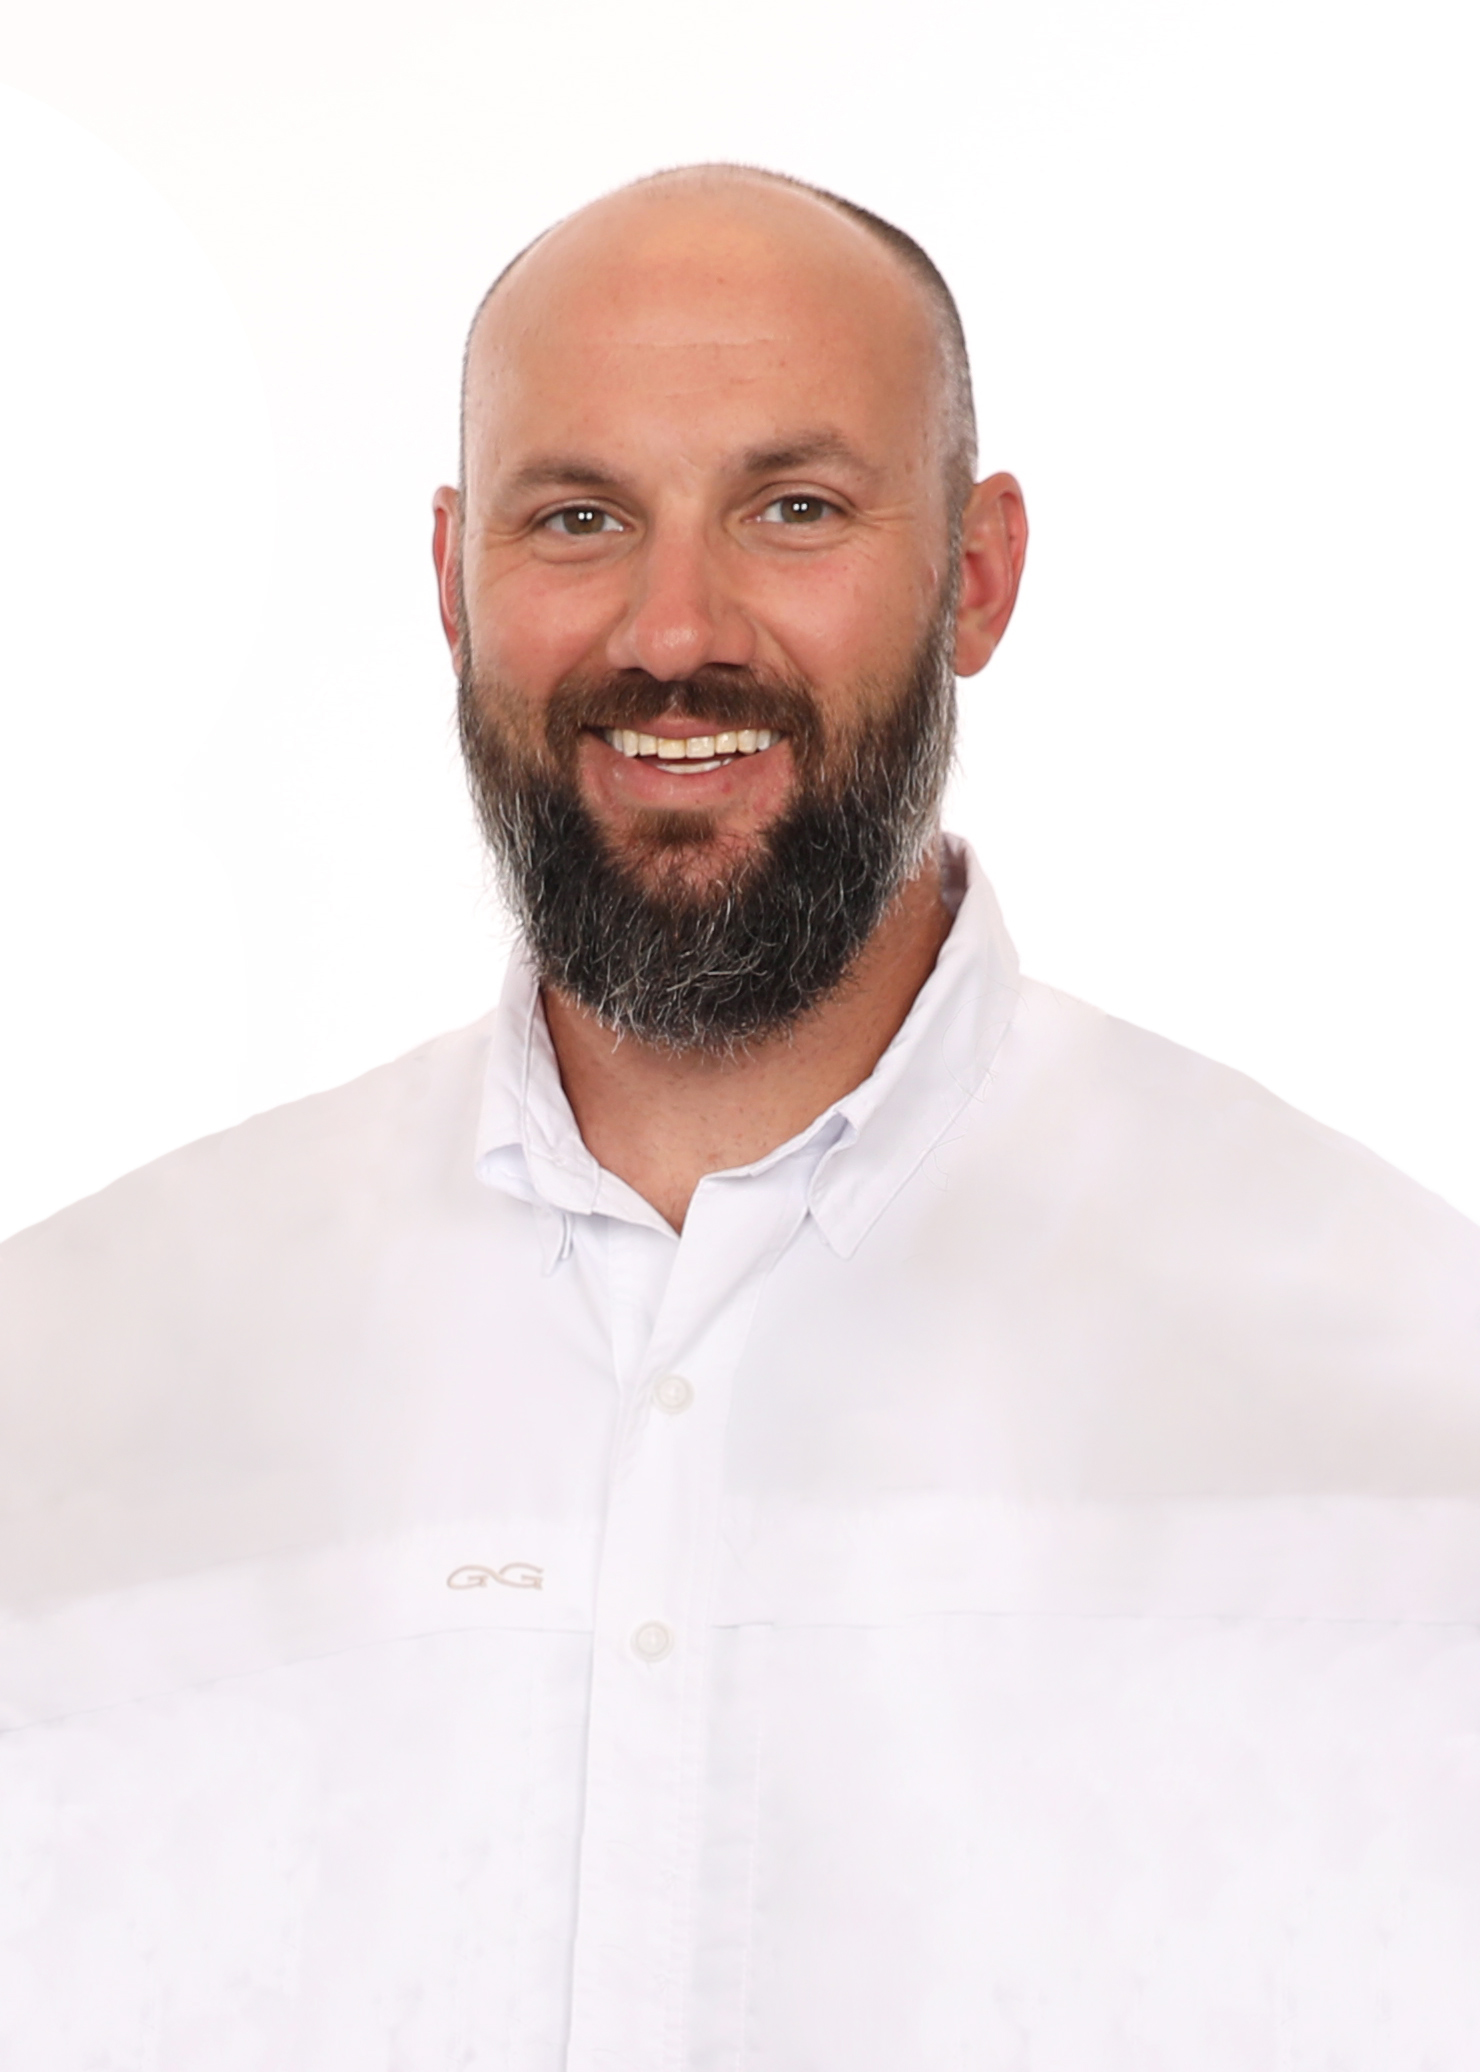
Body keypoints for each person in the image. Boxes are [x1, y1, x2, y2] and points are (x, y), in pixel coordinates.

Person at [2, 163, 1478, 2069]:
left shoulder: (1406, 1386)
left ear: (978, 573)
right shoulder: (68, 1376)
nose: (672, 630)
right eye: (579, 516)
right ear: (450, 578)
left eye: (795, 508)